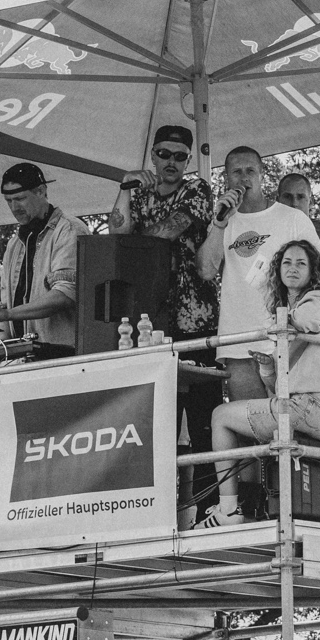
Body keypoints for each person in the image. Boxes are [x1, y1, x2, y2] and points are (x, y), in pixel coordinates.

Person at [200, 239, 320, 526]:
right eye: (287, 262)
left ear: (313, 272)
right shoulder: (289, 315)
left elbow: (312, 319)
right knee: (243, 421)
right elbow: (278, 379)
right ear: (278, 270)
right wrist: (268, 364)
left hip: (316, 405)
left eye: (301, 263)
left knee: (220, 416)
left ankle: (229, 511)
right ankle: (255, 505)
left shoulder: (316, 298)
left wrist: (280, 323)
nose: (293, 268)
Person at [112, 124, 222, 491]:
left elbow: (166, 233)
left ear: (189, 160)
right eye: (164, 155)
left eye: (179, 157)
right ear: (152, 157)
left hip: (197, 321)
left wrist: (133, 245)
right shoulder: (139, 194)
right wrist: (126, 188)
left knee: (204, 421)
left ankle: (209, 505)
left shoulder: (198, 190)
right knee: (158, 422)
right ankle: (158, 507)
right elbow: (116, 233)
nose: (171, 163)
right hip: (151, 322)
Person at [198, 145, 320, 402]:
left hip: (286, 338)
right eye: (236, 172)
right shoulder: (222, 222)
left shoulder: (292, 218)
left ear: (262, 175)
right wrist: (220, 224)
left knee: (288, 424)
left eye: (250, 171)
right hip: (237, 340)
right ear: (226, 178)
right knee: (250, 423)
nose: (244, 178)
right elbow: (206, 270)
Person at [0, 163, 87, 357]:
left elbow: (65, 294)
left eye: (20, 199)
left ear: (41, 191)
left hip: (63, 354)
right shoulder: (14, 244)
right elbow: (7, 304)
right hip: (23, 356)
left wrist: (9, 314)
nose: (14, 208)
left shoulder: (69, 229)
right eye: (9, 201)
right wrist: (1, 341)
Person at [275, 171, 320, 258]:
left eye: (300, 197)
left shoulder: (319, 229)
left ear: (311, 202)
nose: (294, 203)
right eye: (287, 197)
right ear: (278, 201)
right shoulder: (268, 227)